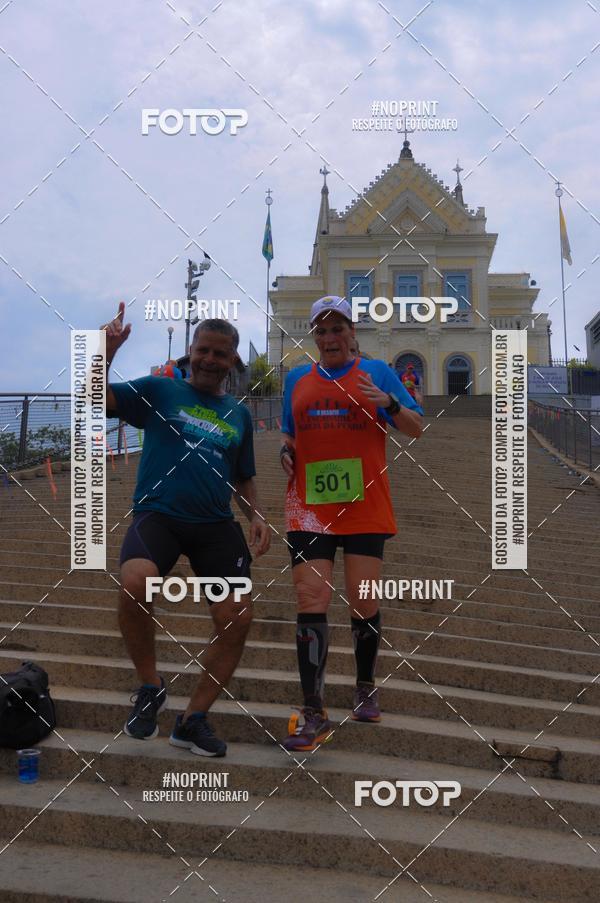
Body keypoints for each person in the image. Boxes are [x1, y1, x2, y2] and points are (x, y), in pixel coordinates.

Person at [102, 304, 270, 757]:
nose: (209, 360)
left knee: (237, 617)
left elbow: (243, 476)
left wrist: (257, 514)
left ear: (233, 361)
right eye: (203, 350)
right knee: (136, 581)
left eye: (220, 353)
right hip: (159, 515)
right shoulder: (160, 391)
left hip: (216, 524)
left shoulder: (238, 415)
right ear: (190, 353)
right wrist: (105, 350)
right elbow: (93, 396)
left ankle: (192, 719)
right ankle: (150, 686)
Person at [279, 296, 423, 751]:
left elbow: (416, 428)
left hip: (363, 503)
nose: (328, 338)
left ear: (352, 331)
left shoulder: (378, 372)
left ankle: (364, 684)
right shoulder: (296, 378)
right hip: (309, 505)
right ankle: (313, 709)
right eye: (320, 331)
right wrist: (286, 451)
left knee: (363, 603)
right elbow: (288, 430)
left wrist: (390, 405)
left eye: (336, 328)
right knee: (311, 597)